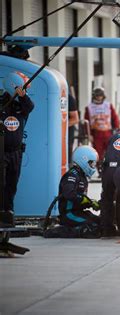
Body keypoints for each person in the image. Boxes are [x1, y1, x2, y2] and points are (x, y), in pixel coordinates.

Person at [0, 71, 34, 227]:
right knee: (2, 182)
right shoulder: (2, 101)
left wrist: (22, 95)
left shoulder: (22, 104)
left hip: (16, 152)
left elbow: (30, 106)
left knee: (12, 183)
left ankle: (9, 211)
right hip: (2, 151)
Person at [57, 145, 101, 237]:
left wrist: (90, 203)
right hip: (69, 214)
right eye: (91, 164)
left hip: (79, 212)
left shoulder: (82, 176)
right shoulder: (72, 175)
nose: (93, 166)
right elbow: (69, 194)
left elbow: (80, 200)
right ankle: (61, 231)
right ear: (83, 160)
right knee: (93, 228)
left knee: (102, 223)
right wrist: (84, 199)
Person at [84, 87, 120, 171]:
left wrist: (117, 128)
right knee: (98, 153)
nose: (99, 97)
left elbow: (115, 118)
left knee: (110, 152)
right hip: (96, 134)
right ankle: (100, 169)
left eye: (100, 96)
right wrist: (88, 134)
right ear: (94, 96)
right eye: (97, 96)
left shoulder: (108, 105)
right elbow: (87, 122)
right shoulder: (89, 107)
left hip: (108, 133)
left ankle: (109, 168)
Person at [68, 87, 79, 162]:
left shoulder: (69, 99)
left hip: (67, 133)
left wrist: (59, 126)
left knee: (67, 154)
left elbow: (75, 119)